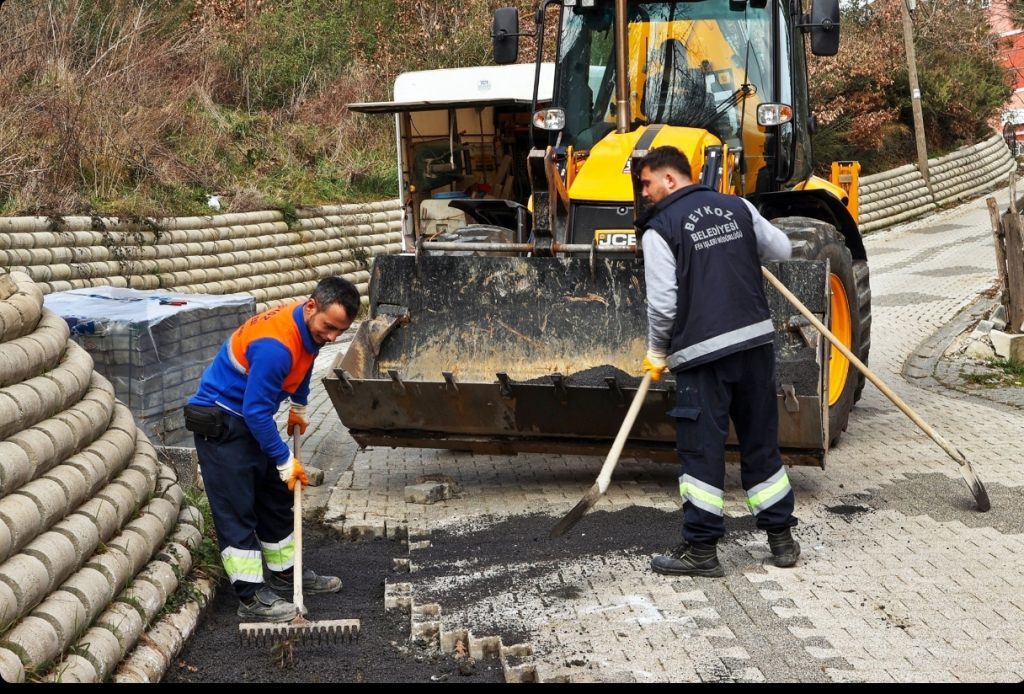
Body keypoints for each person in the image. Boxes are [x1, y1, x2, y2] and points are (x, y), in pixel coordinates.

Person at [634, 145, 799, 577]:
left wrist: (656, 352)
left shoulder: (659, 229)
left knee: (702, 450)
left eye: (647, 183)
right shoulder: (738, 206)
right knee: (760, 442)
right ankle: (781, 540)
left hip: (704, 356)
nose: (645, 193)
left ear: (670, 179)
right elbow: (781, 249)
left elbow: (664, 305)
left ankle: (702, 551)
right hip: (755, 346)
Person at [185, 276, 360, 621]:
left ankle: (285, 576)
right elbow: (256, 411)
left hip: (249, 418)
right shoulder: (275, 345)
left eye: (340, 332)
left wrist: (300, 405)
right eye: (329, 328)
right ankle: (250, 597)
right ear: (312, 306)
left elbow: (306, 361)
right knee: (238, 509)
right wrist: (283, 459)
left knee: (278, 496)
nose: (332, 337)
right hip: (223, 421)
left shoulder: (307, 329)